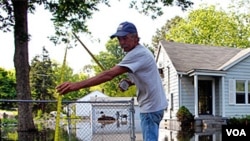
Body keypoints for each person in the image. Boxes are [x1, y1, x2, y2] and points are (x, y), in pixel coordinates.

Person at [56, 21, 168, 141]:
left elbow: (109, 75)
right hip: (155, 106)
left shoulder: (137, 54)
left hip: (150, 108)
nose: (121, 43)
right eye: (119, 39)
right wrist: (129, 82)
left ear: (135, 37)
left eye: (124, 38)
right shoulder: (142, 52)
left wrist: (75, 86)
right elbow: (146, 76)